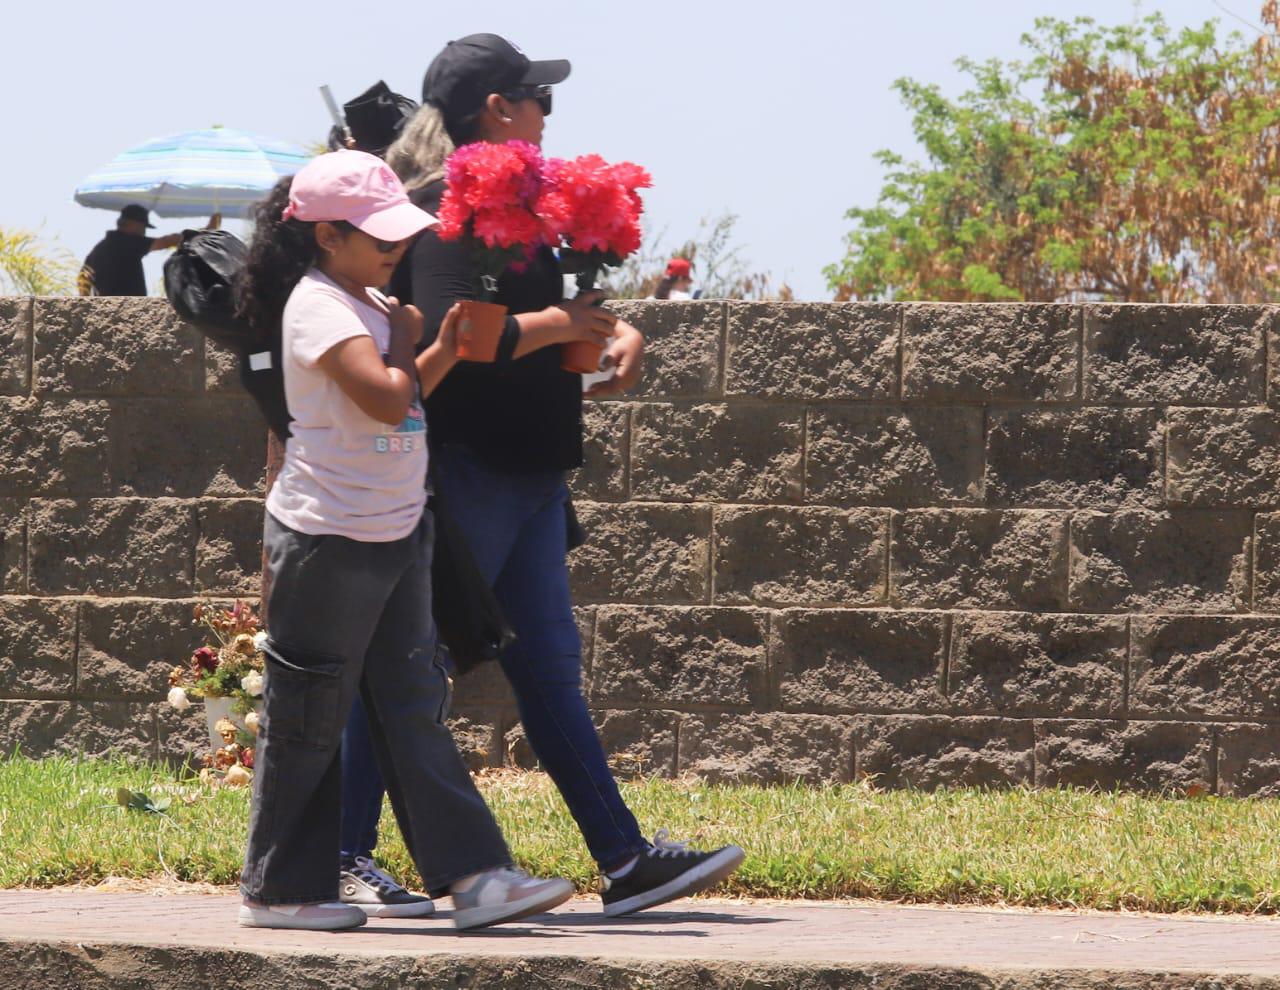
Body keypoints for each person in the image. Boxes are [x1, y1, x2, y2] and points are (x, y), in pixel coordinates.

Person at [333, 33, 744, 921]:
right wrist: (562, 325)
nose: (547, 115)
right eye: (538, 100)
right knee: (413, 666)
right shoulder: (442, 213)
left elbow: (540, 319)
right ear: (497, 110)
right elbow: (457, 333)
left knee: (551, 678)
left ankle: (625, 860)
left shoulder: (524, 217)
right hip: (470, 472)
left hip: (529, 478)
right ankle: (339, 850)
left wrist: (613, 331)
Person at [234, 149, 573, 932]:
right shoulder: (320, 307)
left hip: (393, 528)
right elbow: (387, 401)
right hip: (328, 540)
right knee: (308, 716)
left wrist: (439, 347)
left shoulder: (368, 300)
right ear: (327, 236)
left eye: (400, 232)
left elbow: (407, 397)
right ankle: (278, 893)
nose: (396, 246)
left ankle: (477, 879)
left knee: (413, 706)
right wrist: (405, 336)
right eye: (379, 235)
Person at [78, 204, 218, 296]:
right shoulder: (125, 242)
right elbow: (167, 241)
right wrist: (204, 233)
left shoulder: (100, 248)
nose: (144, 232)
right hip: (127, 310)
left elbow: (83, 279)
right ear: (131, 223)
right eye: (143, 227)